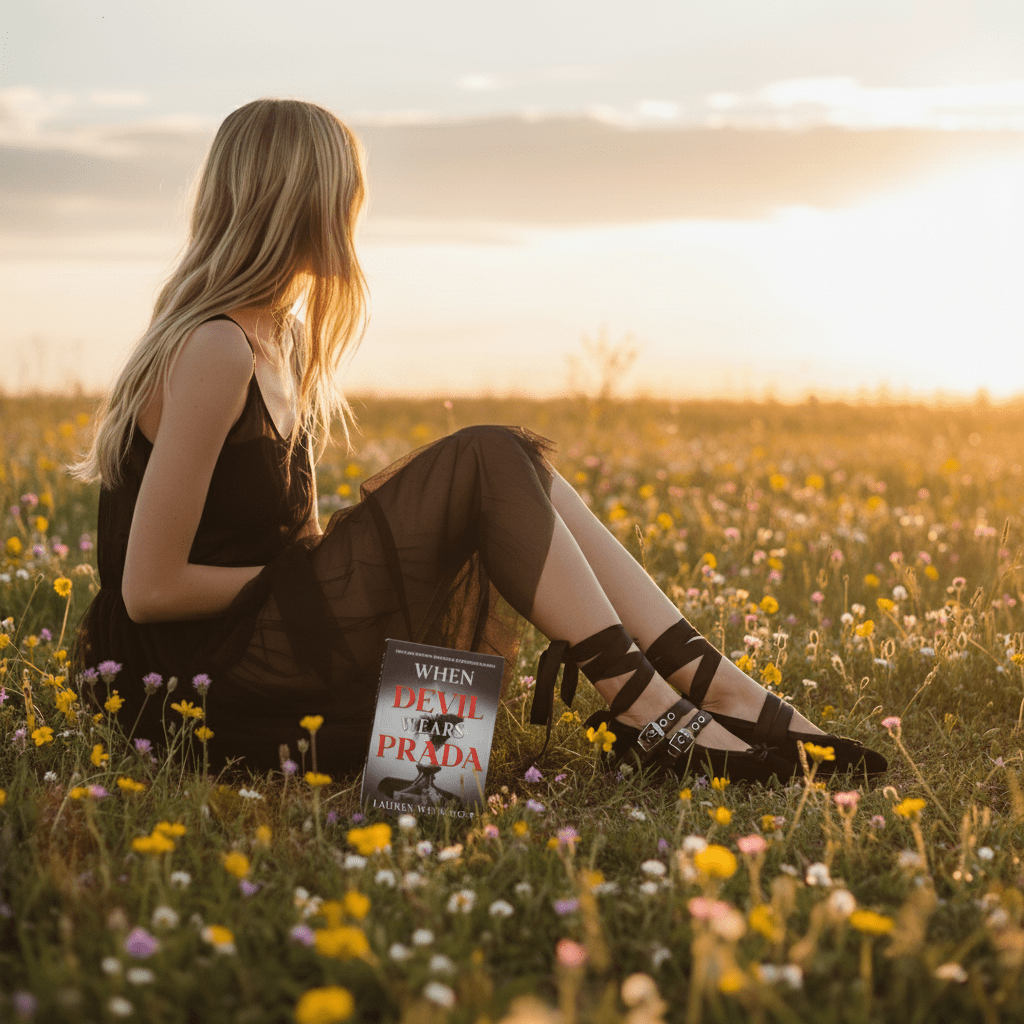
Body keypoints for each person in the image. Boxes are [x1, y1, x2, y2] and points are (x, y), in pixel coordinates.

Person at [72, 98, 885, 785]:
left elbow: (283, 542)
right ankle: (653, 714)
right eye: (346, 194)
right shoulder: (215, 349)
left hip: (267, 647)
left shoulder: (279, 338)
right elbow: (149, 590)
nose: (355, 213)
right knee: (489, 454)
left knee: (511, 468)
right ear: (304, 202)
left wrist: (343, 564)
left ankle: (717, 690)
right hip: (184, 685)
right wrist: (328, 569)